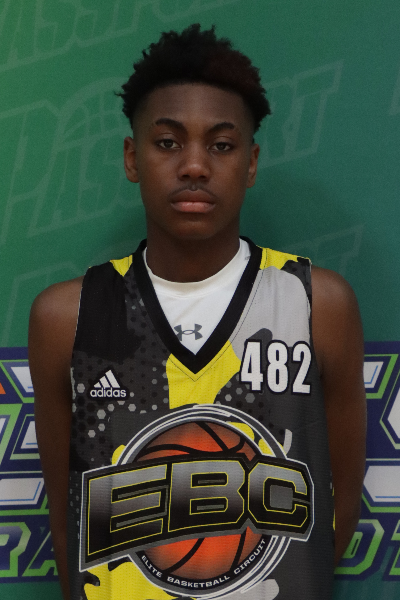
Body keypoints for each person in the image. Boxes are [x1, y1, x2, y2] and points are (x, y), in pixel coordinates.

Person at [29, 24, 366, 600]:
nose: (193, 166)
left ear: (251, 162)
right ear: (132, 157)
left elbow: (339, 503)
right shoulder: (67, 317)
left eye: (221, 145)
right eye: (167, 143)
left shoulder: (316, 304)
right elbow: (70, 524)